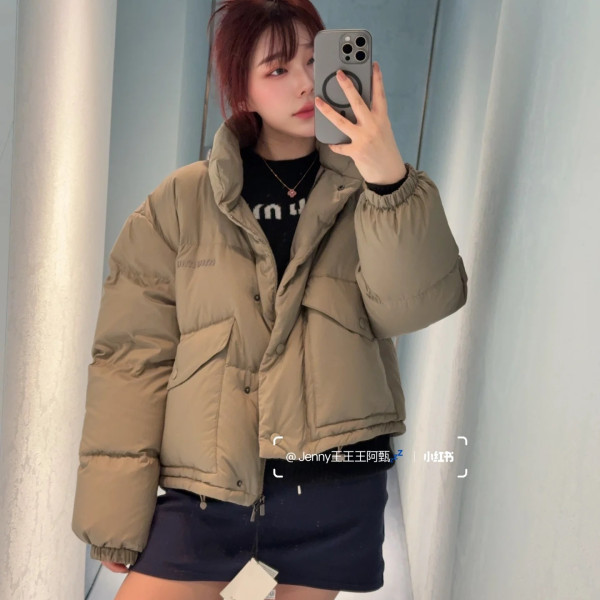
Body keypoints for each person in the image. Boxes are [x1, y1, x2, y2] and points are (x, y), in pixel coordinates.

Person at [71, 1, 469, 598]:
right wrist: (115, 515)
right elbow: (132, 358)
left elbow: (412, 308)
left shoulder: (374, 192)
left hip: (332, 490)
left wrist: (387, 177)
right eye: (278, 69)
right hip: (208, 490)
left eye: (314, 61)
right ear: (243, 90)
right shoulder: (179, 203)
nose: (305, 83)